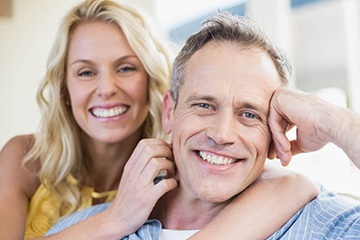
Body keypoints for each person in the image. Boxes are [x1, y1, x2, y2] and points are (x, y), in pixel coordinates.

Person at [0, 1, 317, 239]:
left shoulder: (188, 161)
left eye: (126, 68)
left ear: (153, 79)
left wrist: (297, 182)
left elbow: (283, 183)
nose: (107, 88)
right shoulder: (23, 159)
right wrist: (115, 219)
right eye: (85, 72)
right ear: (65, 87)